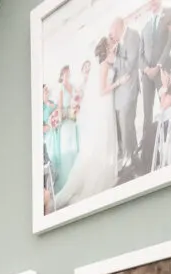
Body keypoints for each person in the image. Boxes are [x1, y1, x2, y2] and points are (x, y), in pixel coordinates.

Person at [55, 37, 127, 210]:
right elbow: (102, 91)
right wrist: (119, 82)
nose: (114, 53)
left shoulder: (107, 66)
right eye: (112, 51)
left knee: (106, 140)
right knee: (101, 142)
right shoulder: (103, 66)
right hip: (104, 105)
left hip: (106, 106)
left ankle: (106, 170)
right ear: (105, 52)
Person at [139, 0, 171, 170]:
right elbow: (140, 53)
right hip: (146, 75)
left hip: (161, 70)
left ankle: (163, 150)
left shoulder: (168, 15)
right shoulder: (145, 26)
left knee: (164, 109)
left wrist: (158, 66)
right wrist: (145, 69)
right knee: (147, 113)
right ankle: (147, 153)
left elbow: (169, 44)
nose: (151, 3)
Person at [110, 16, 141, 171]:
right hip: (121, 91)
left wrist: (114, 59)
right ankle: (133, 155)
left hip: (130, 88)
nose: (112, 34)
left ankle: (129, 158)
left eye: (113, 30)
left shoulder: (133, 35)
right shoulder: (119, 43)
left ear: (119, 27)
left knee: (126, 123)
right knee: (127, 125)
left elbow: (130, 63)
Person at [56, 66, 79, 190]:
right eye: (65, 73)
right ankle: (67, 180)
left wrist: (76, 109)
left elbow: (78, 99)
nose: (67, 74)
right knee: (67, 149)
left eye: (69, 72)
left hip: (73, 121)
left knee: (74, 148)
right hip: (65, 122)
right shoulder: (61, 88)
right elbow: (60, 107)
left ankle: (75, 179)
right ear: (61, 75)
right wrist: (61, 118)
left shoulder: (73, 86)